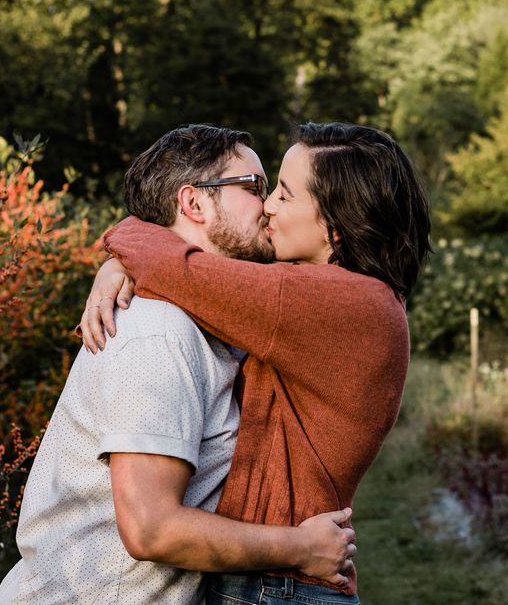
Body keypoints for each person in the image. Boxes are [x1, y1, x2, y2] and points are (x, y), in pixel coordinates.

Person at [0, 125, 356, 605]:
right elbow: (151, 529)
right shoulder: (159, 335)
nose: (269, 205)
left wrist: (120, 260)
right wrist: (302, 548)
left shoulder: (214, 317)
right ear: (195, 204)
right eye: (254, 188)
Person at [79, 122, 431, 605]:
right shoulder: (345, 298)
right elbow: (190, 270)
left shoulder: (334, 302)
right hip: (279, 579)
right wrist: (120, 265)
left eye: (283, 195)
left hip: (280, 584)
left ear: (336, 227)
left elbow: (178, 269)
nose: (267, 206)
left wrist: (121, 248)